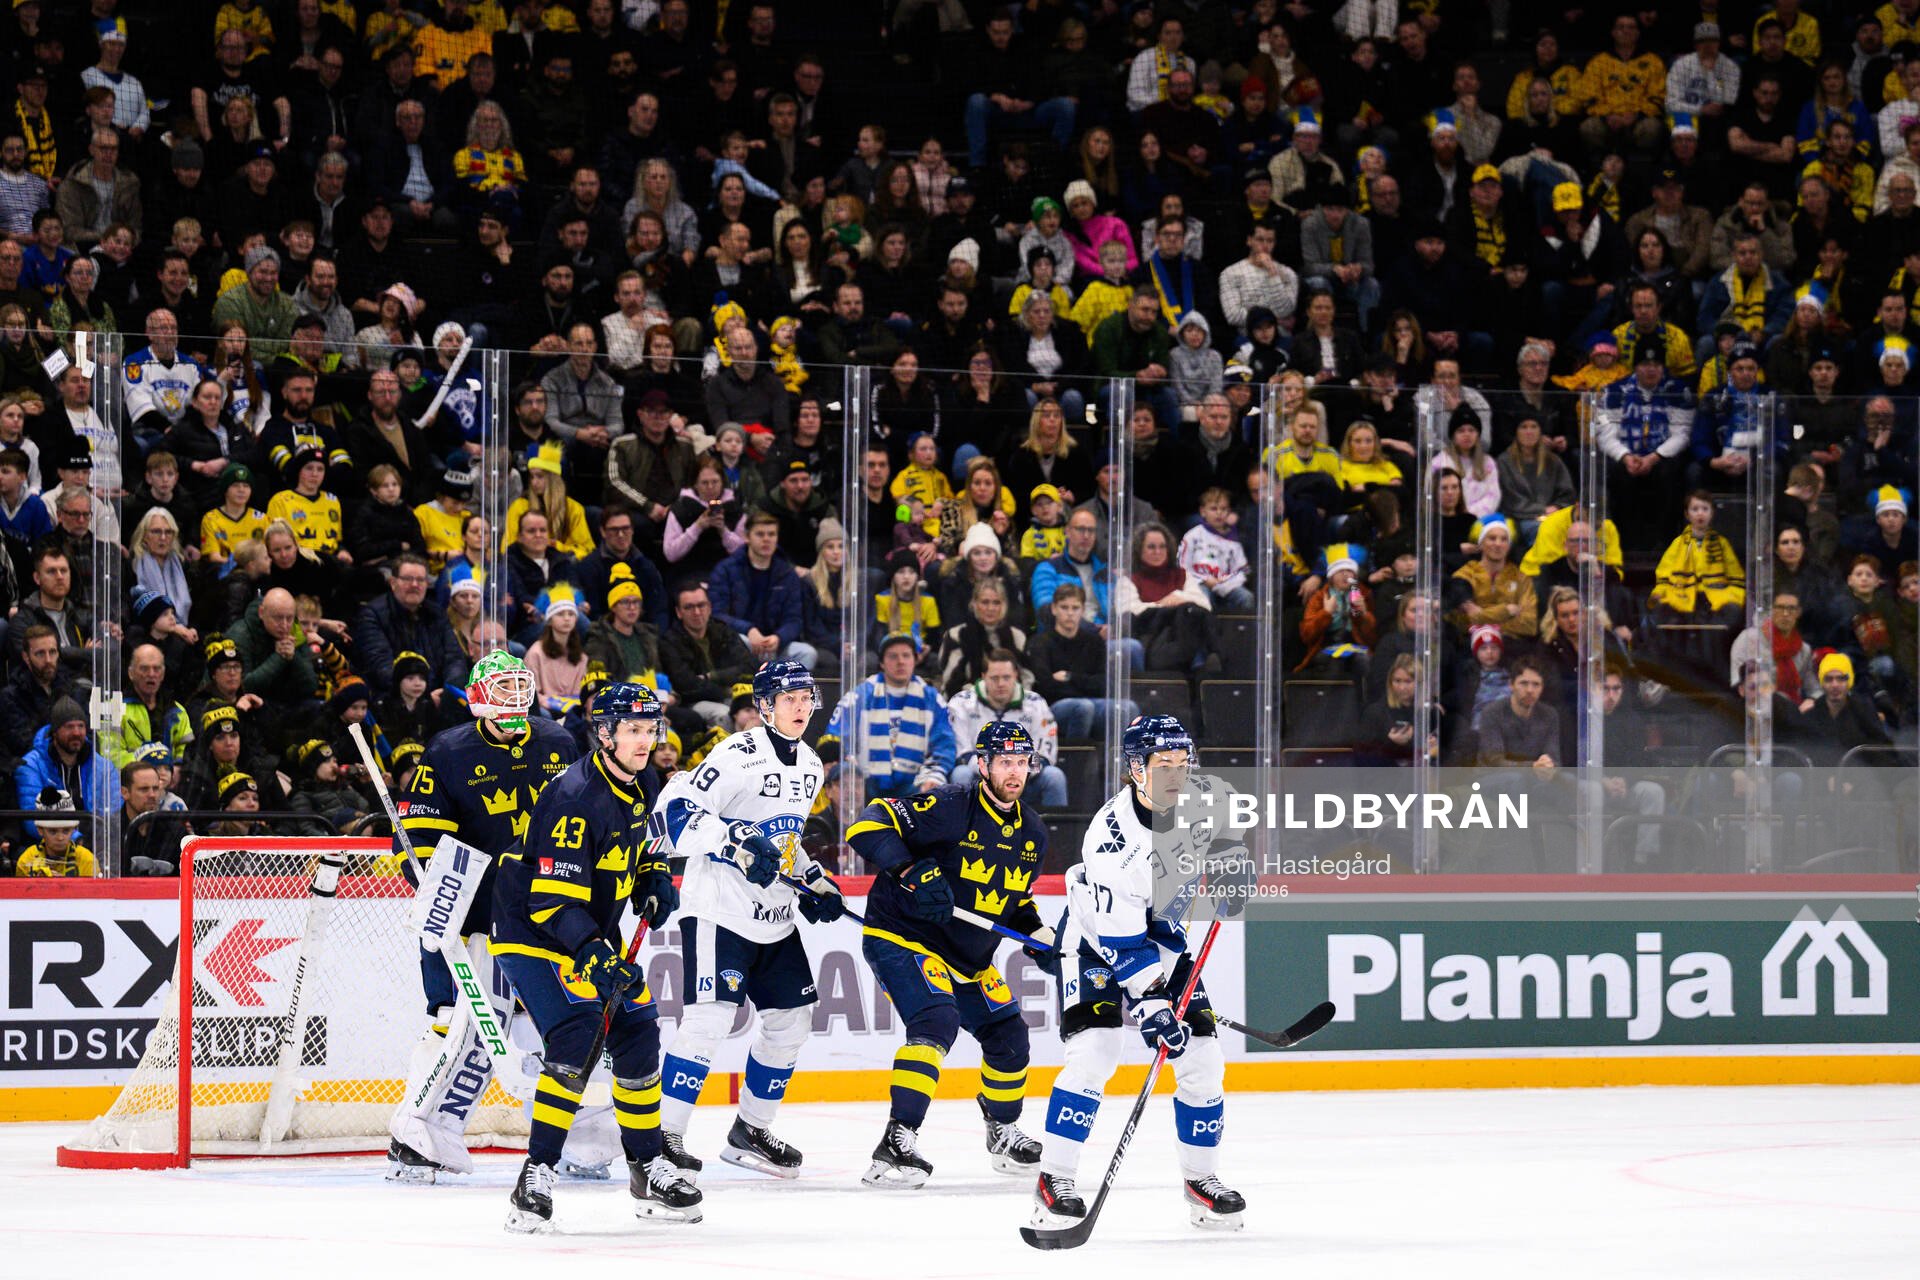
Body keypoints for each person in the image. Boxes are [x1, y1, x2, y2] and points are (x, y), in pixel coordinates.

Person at [488, 682, 698, 1231]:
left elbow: (641, 848)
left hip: (585, 931)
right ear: (603, 733)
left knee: (638, 1027)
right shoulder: (576, 796)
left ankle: (647, 1163)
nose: (645, 740)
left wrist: (654, 877)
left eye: (651, 730)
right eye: (632, 730)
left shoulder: (642, 781)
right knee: (578, 1032)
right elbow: (551, 901)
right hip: (533, 932)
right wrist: (596, 955)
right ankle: (535, 1175)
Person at [1035, 714, 1243, 1231]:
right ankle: (1054, 1176)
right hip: (1094, 947)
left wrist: (1231, 870)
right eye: (1163, 766)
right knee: (1097, 1050)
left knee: (1204, 1058)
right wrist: (1150, 1004)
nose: (1177, 776)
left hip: (1165, 945)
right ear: (1136, 770)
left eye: (1183, 764)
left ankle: (1201, 1182)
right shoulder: (1111, 840)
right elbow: (1121, 939)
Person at [385, 650, 580, 1184]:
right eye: (502, 687)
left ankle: (583, 1136)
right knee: (467, 1029)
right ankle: (421, 1134)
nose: (515, 698)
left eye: (520, 686)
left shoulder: (558, 742)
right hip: (479, 919)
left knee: (565, 1023)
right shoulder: (448, 752)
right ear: (477, 699)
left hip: (547, 912)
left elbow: (581, 816)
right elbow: (420, 838)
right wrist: (430, 882)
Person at [847, 720, 1051, 1187]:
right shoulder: (949, 804)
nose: (1015, 772)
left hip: (969, 960)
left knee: (1009, 1036)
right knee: (936, 1022)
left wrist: (1039, 937)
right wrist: (911, 869)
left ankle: (1001, 1131)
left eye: (1022, 762)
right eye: (1005, 762)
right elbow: (866, 824)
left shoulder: (1033, 833)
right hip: (903, 936)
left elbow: (1015, 902)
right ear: (983, 765)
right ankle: (895, 1144)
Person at [654, 661, 834, 1179]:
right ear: (764, 705)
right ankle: (664, 1135)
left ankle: (750, 1130)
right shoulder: (737, 753)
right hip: (719, 910)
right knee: (709, 1021)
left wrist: (814, 877)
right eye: (789, 698)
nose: (800, 707)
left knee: (790, 1023)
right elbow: (680, 807)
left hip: (774, 915)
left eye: (806, 698)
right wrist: (732, 843)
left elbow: (786, 840)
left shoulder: (812, 766)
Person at [820, 632, 954, 799]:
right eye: (893, 656)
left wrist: (934, 777)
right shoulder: (859, 696)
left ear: (915, 660)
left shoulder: (932, 699)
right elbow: (836, 738)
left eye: (906, 655)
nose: (900, 661)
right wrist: (849, 770)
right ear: (882, 663)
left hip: (917, 786)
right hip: (865, 786)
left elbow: (944, 745)